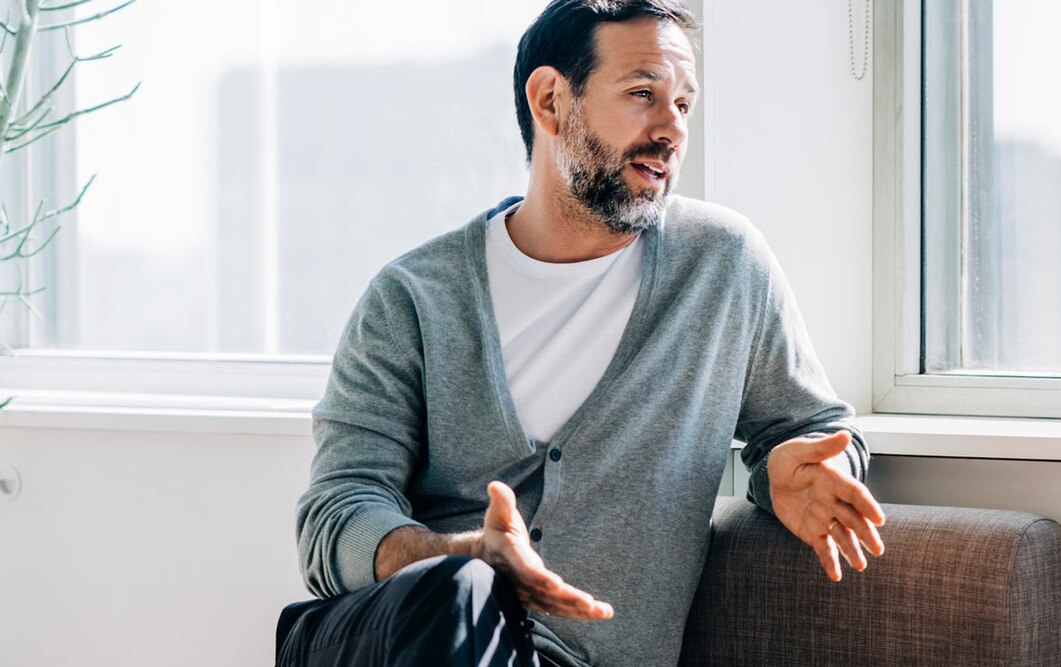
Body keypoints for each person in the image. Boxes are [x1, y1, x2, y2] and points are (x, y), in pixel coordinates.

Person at [274, 2, 886, 666]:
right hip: (410, 640)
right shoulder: (412, 299)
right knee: (465, 588)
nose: (670, 129)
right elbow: (336, 508)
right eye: (643, 94)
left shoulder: (721, 267)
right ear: (550, 101)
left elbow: (813, 425)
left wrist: (804, 469)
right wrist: (459, 556)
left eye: (684, 104)